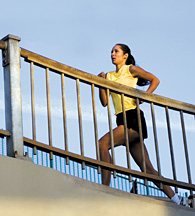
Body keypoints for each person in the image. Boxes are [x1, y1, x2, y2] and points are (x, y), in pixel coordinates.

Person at [97, 43, 184, 205]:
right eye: (111, 51)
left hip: (133, 119)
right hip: (120, 118)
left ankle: (104, 189)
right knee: (148, 170)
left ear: (125, 55)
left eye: (116, 51)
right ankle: (177, 200)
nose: (112, 54)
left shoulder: (130, 69)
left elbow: (155, 80)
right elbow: (104, 102)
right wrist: (100, 83)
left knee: (103, 143)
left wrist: (144, 96)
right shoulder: (108, 76)